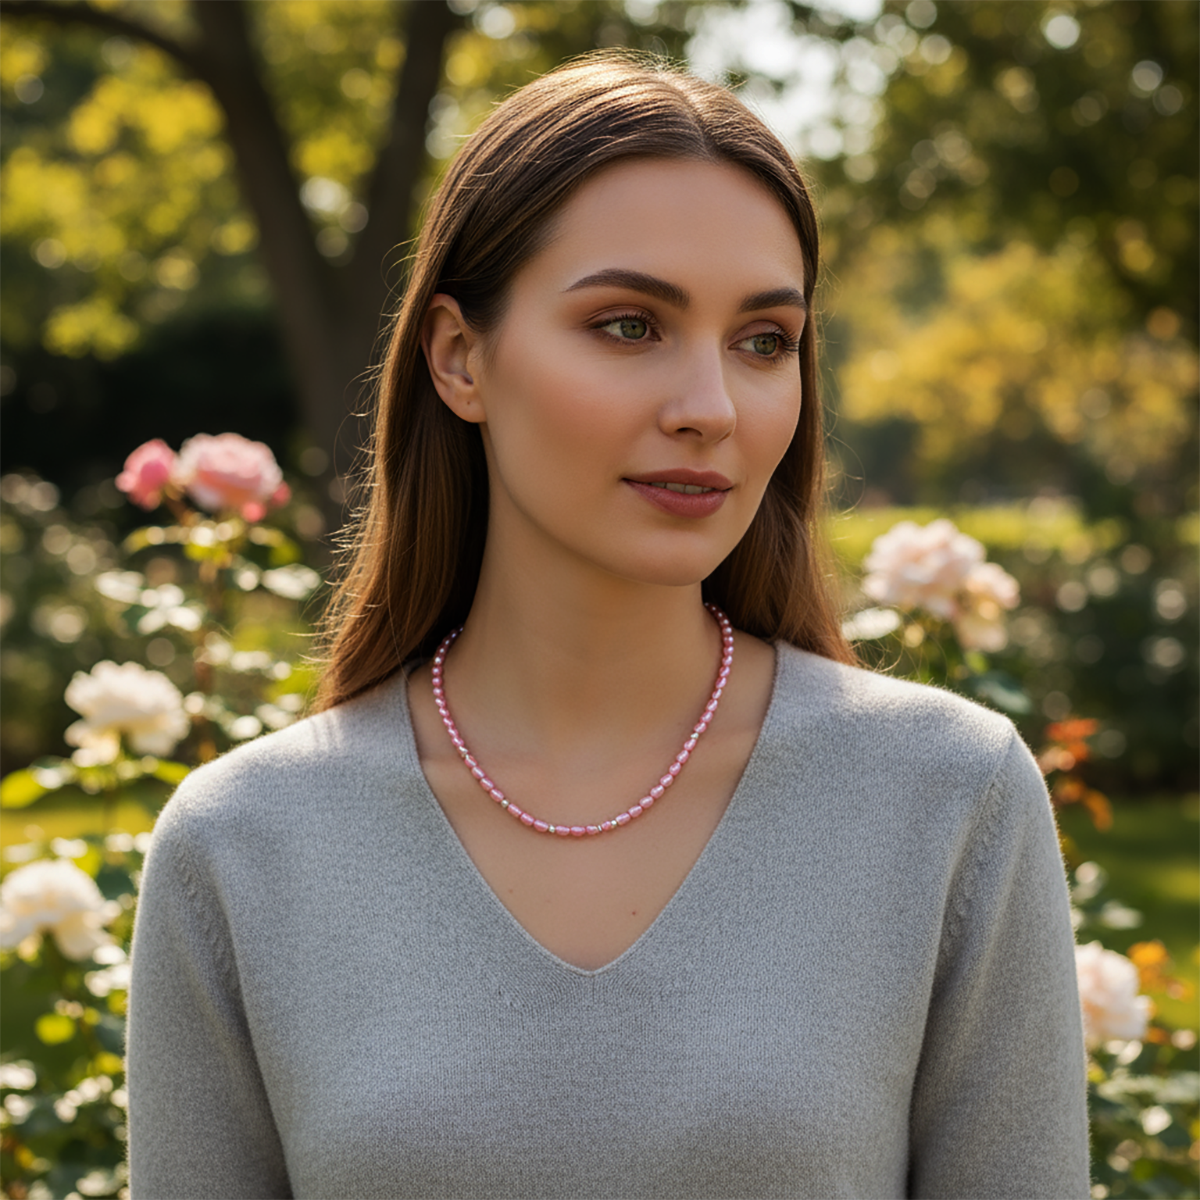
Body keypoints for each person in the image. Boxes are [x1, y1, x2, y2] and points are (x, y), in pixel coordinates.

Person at [125, 53, 1090, 1198]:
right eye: (630, 325)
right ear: (459, 357)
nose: (710, 410)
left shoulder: (946, 798)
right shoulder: (245, 846)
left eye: (764, 340)